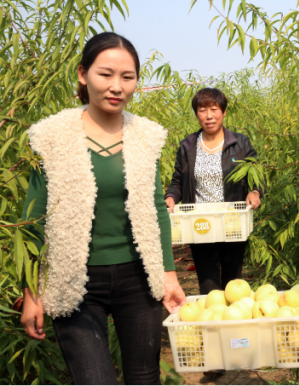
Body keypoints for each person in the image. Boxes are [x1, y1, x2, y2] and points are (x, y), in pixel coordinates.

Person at [20, 32, 186, 385]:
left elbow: (157, 209)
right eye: (105, 74)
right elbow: (31, 221)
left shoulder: (146, 136)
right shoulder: (51, 137)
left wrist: (168, 276)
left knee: (144, 377)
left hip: (138, 279)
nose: (117, 87)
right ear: (83, 74)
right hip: (74, 281)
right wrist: (31, 294)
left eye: (128, 77)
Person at [164, 88, 262, 295]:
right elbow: (178, 181)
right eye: (202, 110)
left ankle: (234, 326)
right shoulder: (188, 146)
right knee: (208, 287)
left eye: (214, 109)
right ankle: (213, 326)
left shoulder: (240, 143)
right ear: (196, 114)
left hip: (232, 221)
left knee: (233, 285)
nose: (209, 116)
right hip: (200, 224)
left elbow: (256, 175)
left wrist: (255, 192)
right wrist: (171, 197)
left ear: (224, 112)